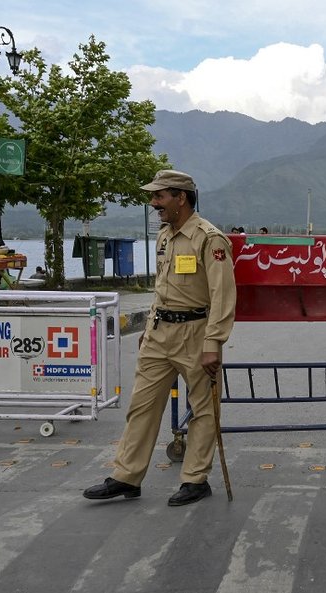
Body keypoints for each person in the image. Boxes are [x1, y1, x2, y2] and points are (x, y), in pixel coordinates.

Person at [84, 169, 236, 506]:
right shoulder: (165, 236)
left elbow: (223, 297)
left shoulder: (210, 239)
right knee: (142, 406)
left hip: (196, 334)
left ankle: (195, 479)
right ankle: (127, 476)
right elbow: (161, 289)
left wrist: (214, 343)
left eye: (160, 196)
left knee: (203, 410)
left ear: (181, 197)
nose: (154, 203)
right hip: (159, 335)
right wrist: (150, 327)